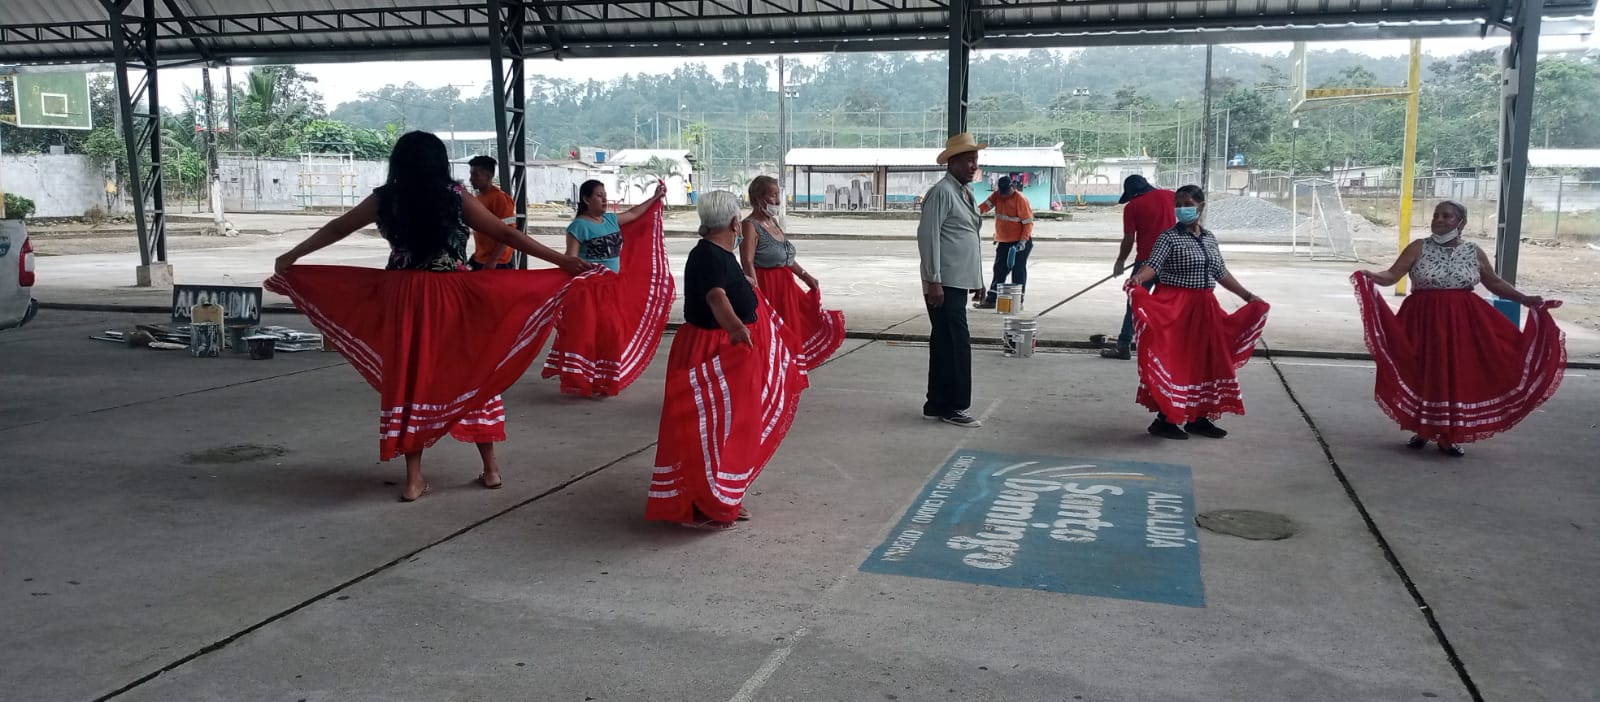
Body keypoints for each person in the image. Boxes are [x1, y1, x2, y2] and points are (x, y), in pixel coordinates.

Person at [267, 131, 598, 501]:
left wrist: (293, 255)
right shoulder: (455, 196)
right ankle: (490, 469)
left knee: (412, 378)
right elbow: (508, 235)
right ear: (440, 162)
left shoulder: (385, 198)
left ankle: (413, 480)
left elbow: (337, 227)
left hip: (402, 297)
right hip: (451, 295)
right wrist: (561, 261)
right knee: (471, 369)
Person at [646, 190, 808, 530]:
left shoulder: (717, 253)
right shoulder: (708, 255)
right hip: (713, 349)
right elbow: (716, 297)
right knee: (713, 426)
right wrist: (735, 328)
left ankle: (719, 493)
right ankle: (707, 500)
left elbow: (723, 287)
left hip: (722, 348)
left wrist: (744, 286)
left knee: (728, 424)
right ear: (735, 223)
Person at [1352, 201, 1566, 457]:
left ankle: (1449, 435)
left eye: (1447, 216)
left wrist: (1524, 299)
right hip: (1423, 321)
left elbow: (1495, 283)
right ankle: (1423, 430)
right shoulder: (1418, 247)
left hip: (1463, 322)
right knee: (1424, 371)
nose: (1439, 220)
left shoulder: (1473, 251)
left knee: (1456, 373)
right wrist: (1371, 276)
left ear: (1461, 222)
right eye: (1436, 215)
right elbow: (1391, 275)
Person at [1125, 184, 1269, 440]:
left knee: (1206, 360)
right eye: (1178, 205)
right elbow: (1153, 265)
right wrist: (1138, 278)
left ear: (1201, 206)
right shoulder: (1168, 237)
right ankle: (1164, 420)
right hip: (1176, 307)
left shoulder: (1209, 238)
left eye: (1187, 205)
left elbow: (1220, 271)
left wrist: (1247, 296)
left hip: (1205, 308)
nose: (1182, 209)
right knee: (1178, 360)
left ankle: (1199, 418)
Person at [541, 178, 675, 397]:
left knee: (611, 334)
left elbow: (634, 213)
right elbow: (570, 258)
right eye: (599, 196)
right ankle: (588, 377)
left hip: (614, 288)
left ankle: (603, 378)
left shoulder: (611, 220)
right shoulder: (579, 226)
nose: (604, 200)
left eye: (605, 196)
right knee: (596, 334)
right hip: (591, 291)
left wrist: (654, 198)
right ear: (586, 199)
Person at [917, 132, 988, 428]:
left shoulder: (965, 192)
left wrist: (978, 279)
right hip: (944, 283)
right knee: (957, 343)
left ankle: (936, 402)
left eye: (975, 159)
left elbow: (969, 237)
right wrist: (933, 280)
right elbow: (928, 237)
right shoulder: (942, 192)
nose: (974, 165)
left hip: (959, 280)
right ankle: (956, 406)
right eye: (968, 160)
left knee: (944, 342)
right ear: (953, 162)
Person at [740, 175, 846, 370]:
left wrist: (804, 275)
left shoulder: (773, 222)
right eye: (773, 195)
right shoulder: (749, 225)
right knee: (771, 332)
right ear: (758, 197)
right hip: (767, 287)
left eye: (778, 195)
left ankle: (787, 372)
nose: (777, 200)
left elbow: (785, 257)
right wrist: (756, 295)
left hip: (786, 287)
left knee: (790, 330)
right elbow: (747, 261)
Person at [1105, 174, 1175, 359]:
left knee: (1134, 302)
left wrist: (1120, 261)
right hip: (1172, 261)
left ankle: (1123, 345)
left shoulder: (1132, 206)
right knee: (1167, 303)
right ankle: (1166, 347)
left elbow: (1129, 238)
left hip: (1146, 262)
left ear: (1131, 193)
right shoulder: (1171, 196)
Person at [974, 174, 1034, 310]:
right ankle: (991, 299)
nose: (1004, 195)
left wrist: (1023, 241)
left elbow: (1028, 223)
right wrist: (972, 214)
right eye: (1002, 192)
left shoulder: (1020, 200)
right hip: (1004, 241)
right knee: (999, 270)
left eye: (1006, 192)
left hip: (1019, 242)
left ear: (1012, 187)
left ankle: (1018, 301)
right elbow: (984, 207)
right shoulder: (997, 195)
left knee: (1018, 270)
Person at [465, 155, 518, 270]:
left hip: (498, 263)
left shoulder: (500, 199)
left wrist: (493, 259)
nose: (471, 179)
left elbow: (509, 231)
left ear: (489, 176)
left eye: (475, 175)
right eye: (471, 174)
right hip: (481, 258)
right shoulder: (478, 197)